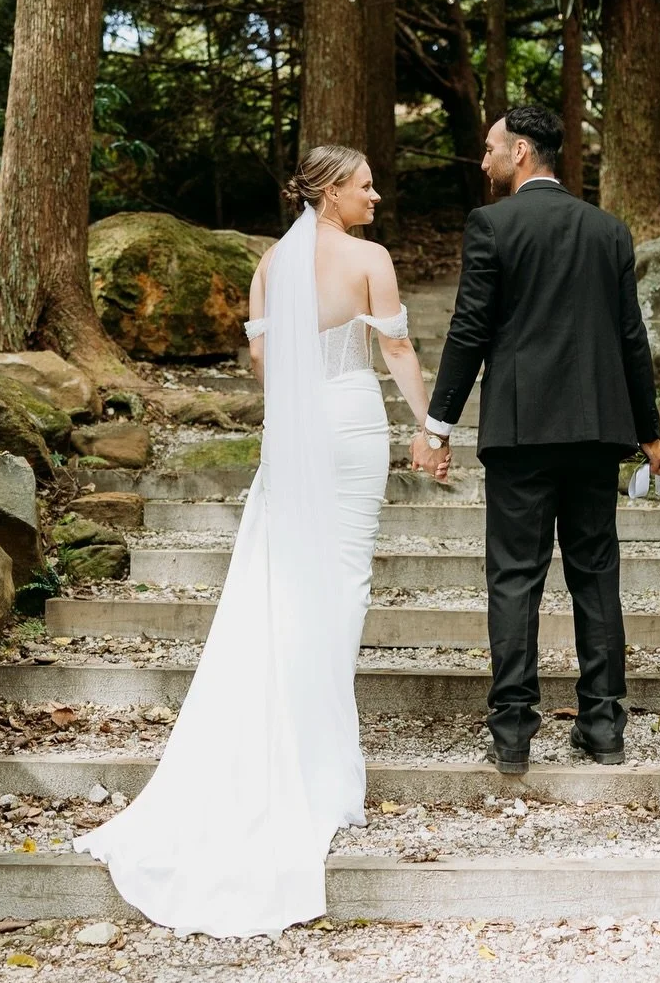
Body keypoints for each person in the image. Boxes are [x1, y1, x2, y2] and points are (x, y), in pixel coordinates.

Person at [74, 146, 433, 936]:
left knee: (288, 585)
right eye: (365, 184)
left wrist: (291, 423)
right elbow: (397, 349)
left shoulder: (270, 263)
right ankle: (327, 771)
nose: (377, 194)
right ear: (333, 191)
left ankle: (301, 748)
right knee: (345, 584)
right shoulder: (369, 259)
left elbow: (265, 359)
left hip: (295, 431)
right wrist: (431, 426)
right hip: (352, 423)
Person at [412, 103, 660, 776]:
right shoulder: (608, 231)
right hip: (593, 432)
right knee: (595, 575)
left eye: (491, 148)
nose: (485, 160)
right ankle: (604, 725)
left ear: (522, 152)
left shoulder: (492, 226)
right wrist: (651, 436)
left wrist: (437, 426)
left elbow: (470, 330)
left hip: (522, 432)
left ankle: (512, 733)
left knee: (514, 577)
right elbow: (629, 342)